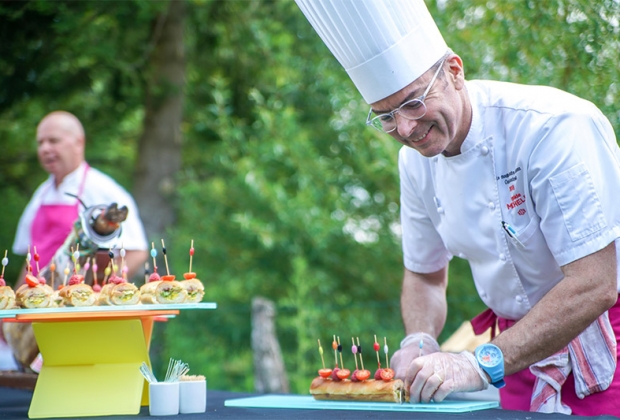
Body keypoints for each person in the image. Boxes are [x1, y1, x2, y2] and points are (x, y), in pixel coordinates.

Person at [295, 0, 620, 415]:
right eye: (385, 117)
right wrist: (420, 340)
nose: (406, 130)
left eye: (413, 103)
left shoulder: (554, 128)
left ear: (454, 71)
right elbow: (425, 275)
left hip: (605, 340)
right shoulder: (414, 162)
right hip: (514, 355)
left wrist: (476, 363)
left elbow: (595, 284)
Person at [4, 110, 149, 369]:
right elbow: (29, 260)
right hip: (36, 312)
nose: (45, 148)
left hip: (76, 316)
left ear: (78, 142)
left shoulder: (104, 190)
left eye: (53, 141)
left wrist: (96, 295)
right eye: (40, 143)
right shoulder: (41, 194)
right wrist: (11, 311)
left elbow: (137, 251)